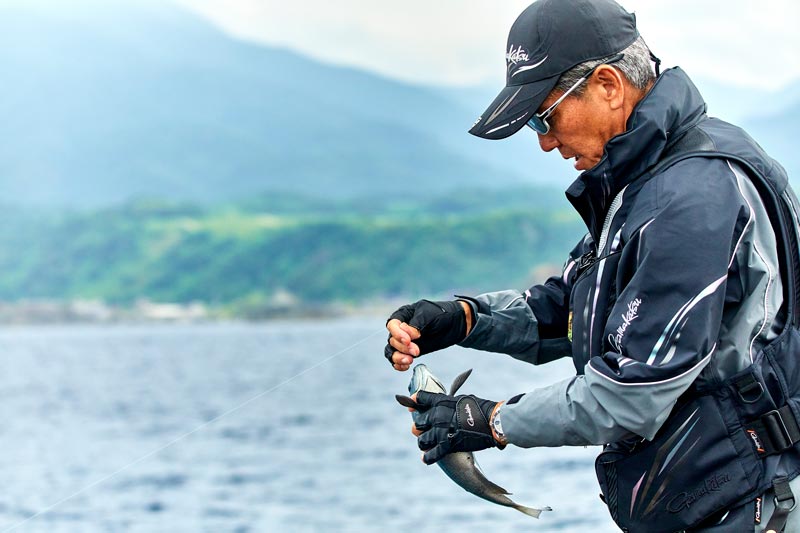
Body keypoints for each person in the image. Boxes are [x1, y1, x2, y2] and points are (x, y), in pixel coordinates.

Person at [385, 1, 800, 532]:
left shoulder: (691, 195)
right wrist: (464, 318)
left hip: (752, 507)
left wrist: (490, 421)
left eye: (544, 115)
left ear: (607, 85)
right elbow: (577, 307)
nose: (543, 141)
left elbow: (631, 398)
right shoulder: (647, 182)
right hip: (714, 504)